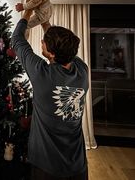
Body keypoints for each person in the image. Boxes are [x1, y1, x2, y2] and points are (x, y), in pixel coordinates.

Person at [11, 10, 89, 180]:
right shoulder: (82, 71)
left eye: (44, 43)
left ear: (52, 53)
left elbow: (17, 39)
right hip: (77, 166)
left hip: (46, 167)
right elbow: (64, 47)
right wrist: (45, 22)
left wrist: (28, 11)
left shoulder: (42, 74)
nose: (41, 42)